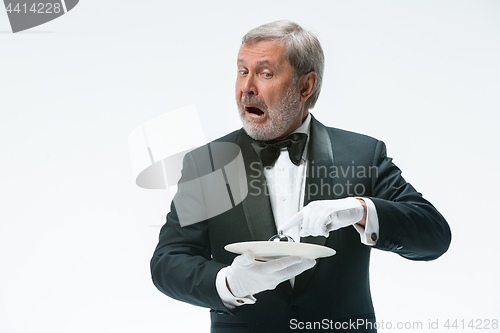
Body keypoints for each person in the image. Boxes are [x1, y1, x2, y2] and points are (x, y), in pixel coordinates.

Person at [150, 20, 451, 332]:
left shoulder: (362, 154)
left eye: (265, 73)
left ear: (305, 86)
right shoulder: (209, 164)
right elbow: (168, 262)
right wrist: (228, 282)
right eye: (242, 71)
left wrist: (362, 210)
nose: (247, 87)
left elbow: (434, 236)